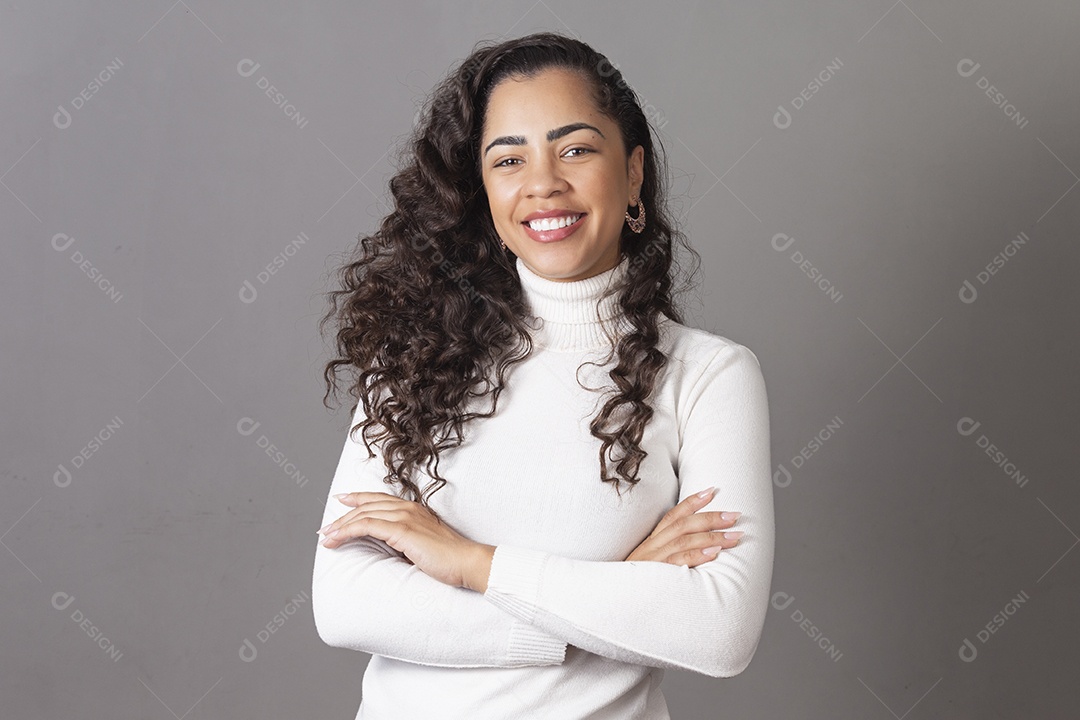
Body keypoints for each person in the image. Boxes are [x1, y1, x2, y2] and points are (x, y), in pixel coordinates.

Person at [311, 31, 774, 720]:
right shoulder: (413, 358)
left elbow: (719, 632)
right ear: (482, 189)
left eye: (576, 148)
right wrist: (621, 595)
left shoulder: (709, 375)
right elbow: (345, 604)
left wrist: (471, 564)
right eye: (508, 159)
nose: (543, 183)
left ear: (634, 171)